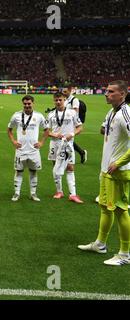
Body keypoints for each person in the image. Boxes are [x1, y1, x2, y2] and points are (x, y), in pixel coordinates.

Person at [78, 80, 130, 265]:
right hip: (106, 169)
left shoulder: (126, 113)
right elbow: (104, 130)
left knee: (120, 210)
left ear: (123, 94)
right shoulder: (112, 111)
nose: (106, 94)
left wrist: (120, 161)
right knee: (105, 207)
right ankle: (100, 244)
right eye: (106, 90)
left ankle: (125, 254)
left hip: (119, 171)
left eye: (111, 91)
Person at [7, 95, 49, 201]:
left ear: (33, 103)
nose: (27, 105)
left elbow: (46, 130)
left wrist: (41, 142)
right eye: (25, 104)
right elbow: (9, 129)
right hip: (20, 150)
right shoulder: (16, 116)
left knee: (33, 171)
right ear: (23, 104)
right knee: (19, 171)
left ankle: (33, 194)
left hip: (34, 150)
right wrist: (13, 141)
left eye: (29, 103)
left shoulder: (39, 116)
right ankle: (17, 193)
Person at [62, 85, 87, 164]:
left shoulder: (74, 100)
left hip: (72, 123)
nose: (64, 93)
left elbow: (75, 112)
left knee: (67, 139)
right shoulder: (66, 100)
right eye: (63, 91)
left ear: (70, 90)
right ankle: (80, 152)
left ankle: (75, 154)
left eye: (65, 92)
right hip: (66, 122)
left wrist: (75, 124)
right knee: (67, 139)